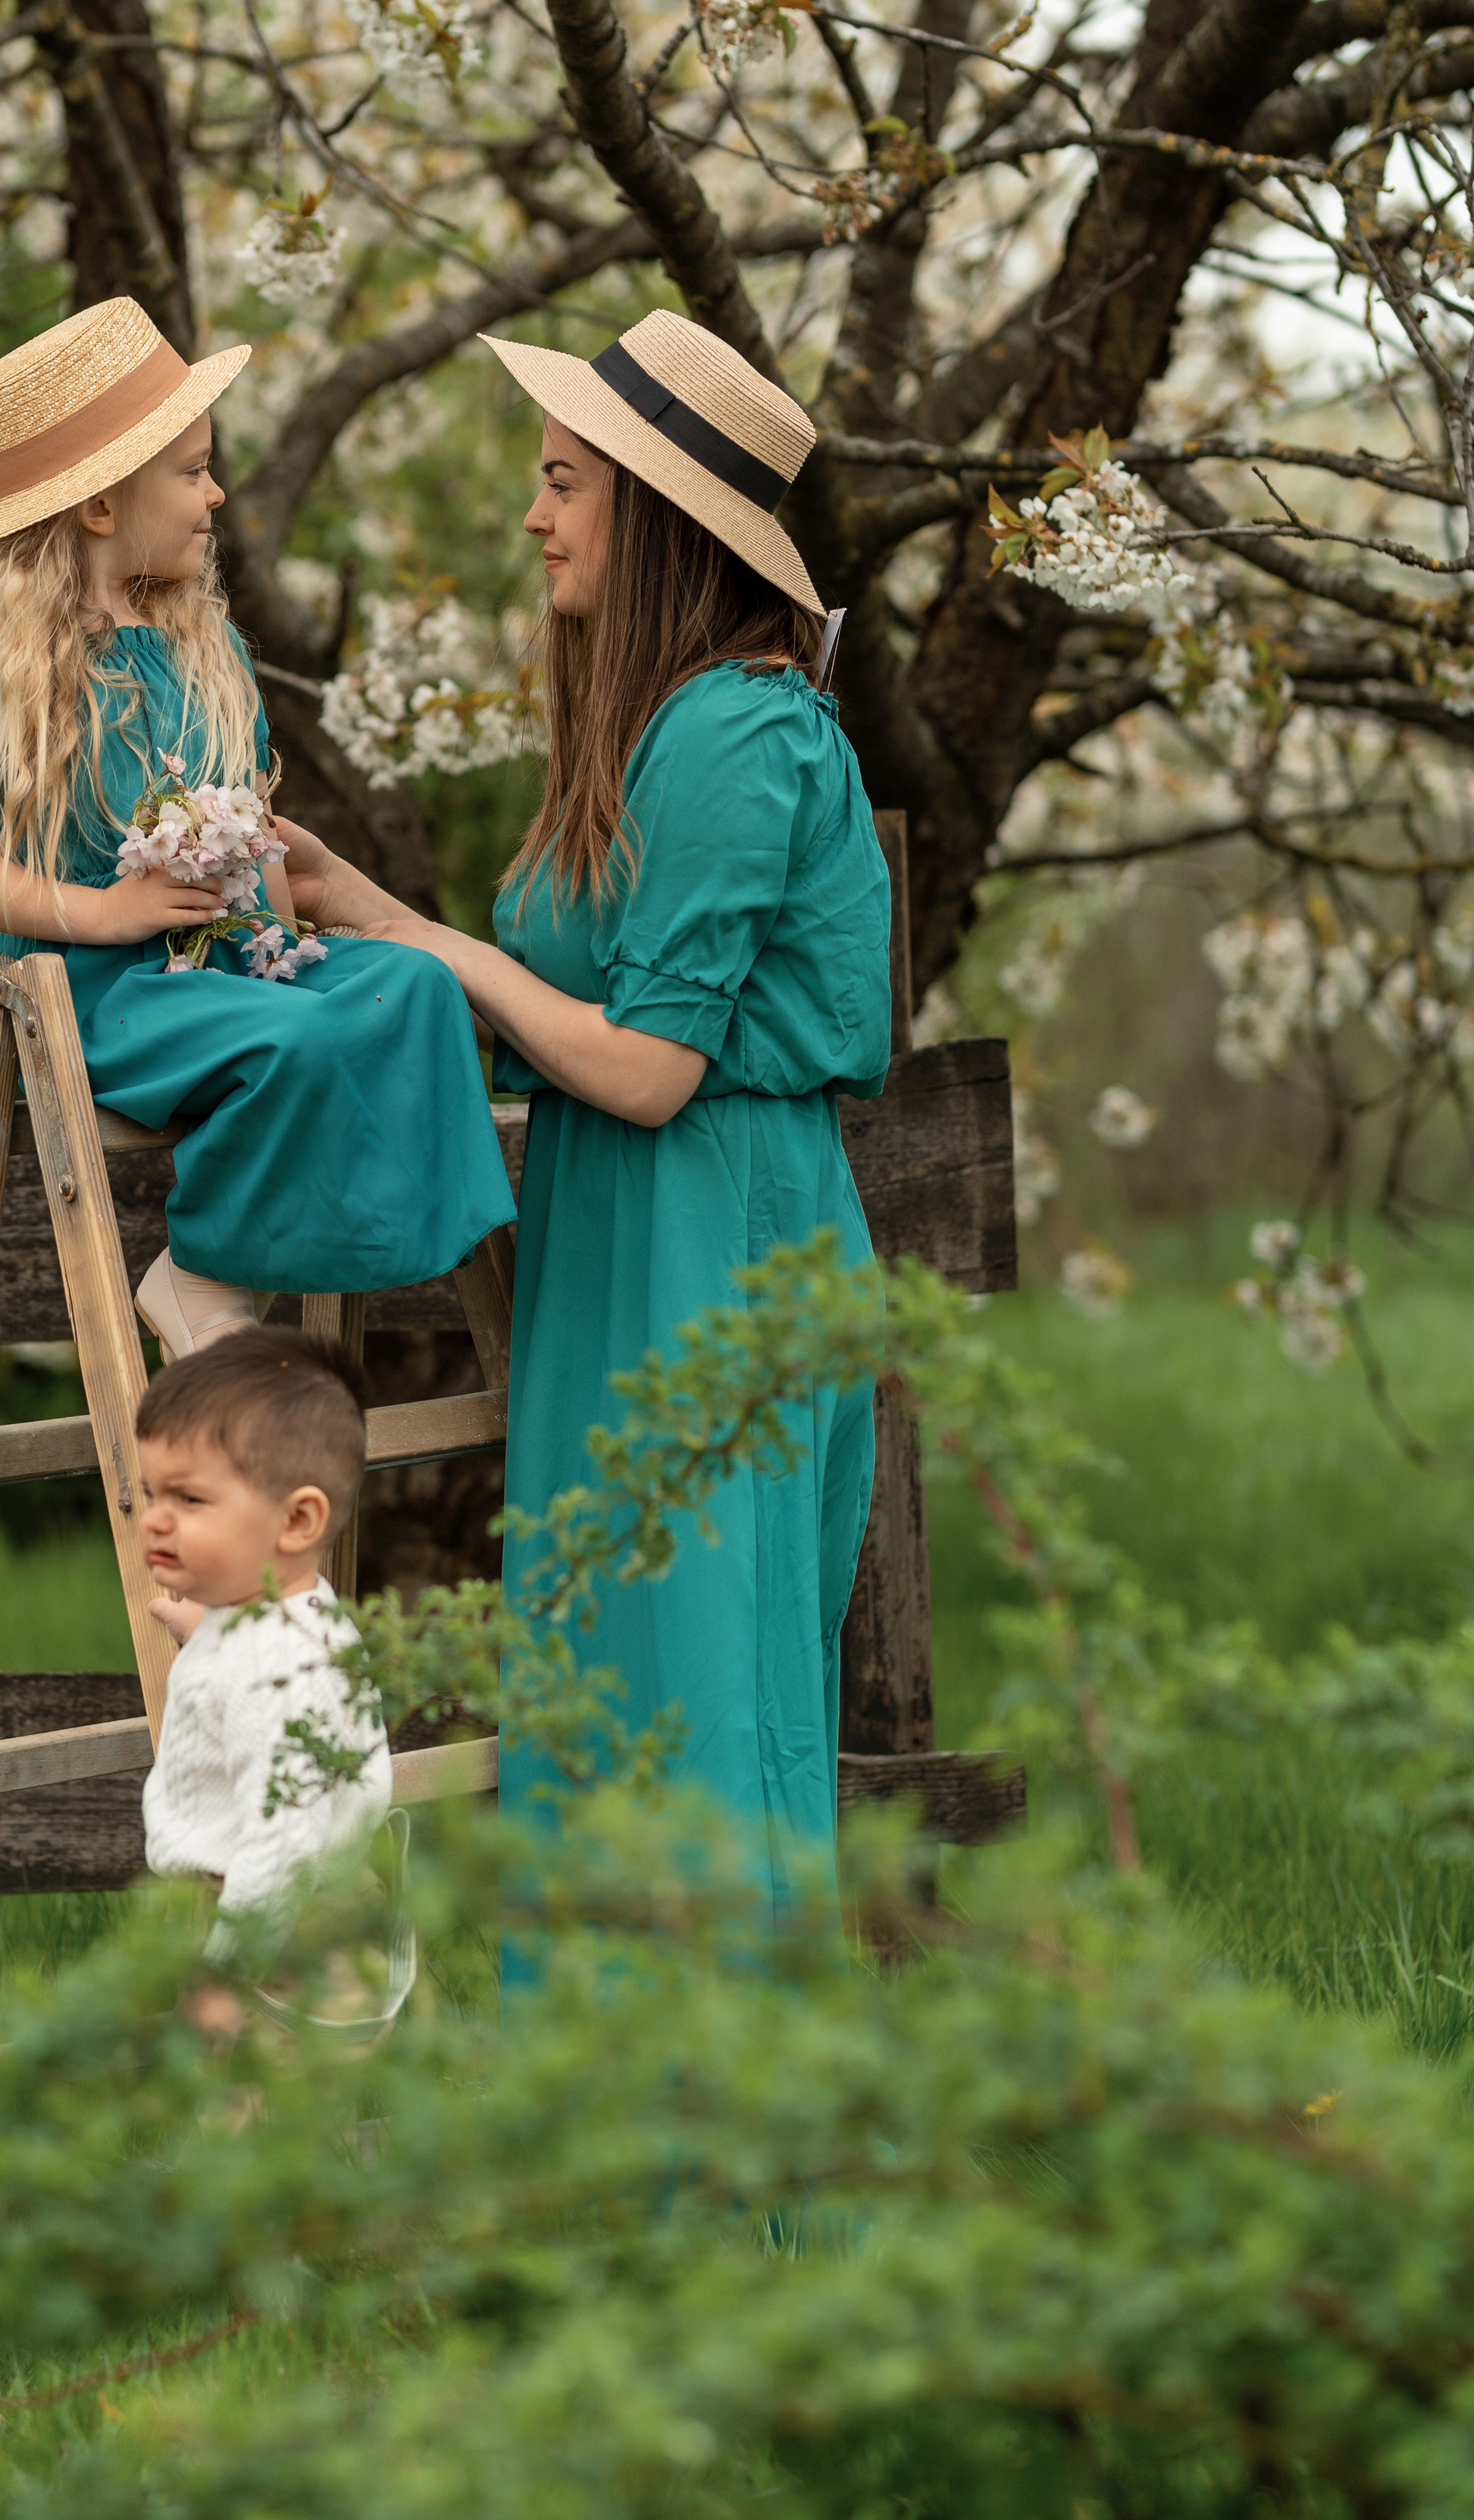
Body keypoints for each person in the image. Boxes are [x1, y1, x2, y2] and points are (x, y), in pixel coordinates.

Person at [281, 310, 893, 1914]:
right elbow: (565, 1017)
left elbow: (644, 1066)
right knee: (599, 1702)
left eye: (562, 483)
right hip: (616, 1236)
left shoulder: (740, 731)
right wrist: (354, 911)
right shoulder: (653, 731)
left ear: (659, 516)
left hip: (715, 1232)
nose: (532, 517)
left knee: (705, 1723)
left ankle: (750, 2165)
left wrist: (432, 946)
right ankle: (615, 2143)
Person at [0, 295, 515, 1359]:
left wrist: (291, 943)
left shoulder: (204, 648)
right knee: (304, 1038)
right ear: (100, 507)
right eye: (190, 471)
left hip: (234, 969)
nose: (216, 492)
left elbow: (252, 830)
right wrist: (101, 913)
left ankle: (365, 1251)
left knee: (410, 985)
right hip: (105, 993)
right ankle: (205, 1271)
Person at [136, 1327, 394, 1986]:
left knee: (241, 2088)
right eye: (151, 1494)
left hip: (268, 1924)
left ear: (298, 1522)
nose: (156, 1520)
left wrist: (230, 1978)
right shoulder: (283, 1617)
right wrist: (207, 1628)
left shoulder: (273, 1671)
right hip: (290, 1910)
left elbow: (283, 1843)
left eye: (189, 1499)